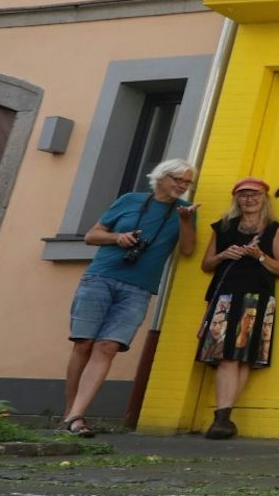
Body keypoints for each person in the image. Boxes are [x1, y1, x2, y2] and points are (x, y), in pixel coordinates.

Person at [63, 159, 199, 435]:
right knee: (83, 344)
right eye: (178, 179)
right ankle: (69, 411)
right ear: (161, 177)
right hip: (101, 277)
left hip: (139, 288)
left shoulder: (185, 211)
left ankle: (77, 415)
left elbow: (187, 249)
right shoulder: (130, 200)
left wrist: (185, 221)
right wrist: (118, 238)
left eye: (187, 182)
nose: (183, 186)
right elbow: (92, 236)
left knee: (108, 347)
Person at [195, 176, 279, 440]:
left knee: (245, 357)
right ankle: (222, 417)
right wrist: (225, 255)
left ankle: (225, 416)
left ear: (264, 199)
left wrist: (258, 255)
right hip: (225, 296)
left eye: (255, 195)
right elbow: (206, 264)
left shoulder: (274, 229)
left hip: (257, 297)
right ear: (236, 199)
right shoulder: (224, 227)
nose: (249, 199)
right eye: (244, 195)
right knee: (226, 355)